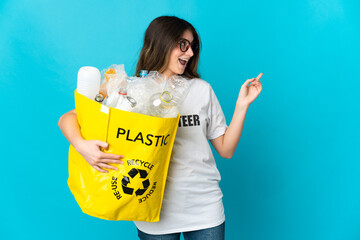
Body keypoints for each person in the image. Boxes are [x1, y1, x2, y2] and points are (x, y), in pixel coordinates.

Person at [58, 16, 262, 240]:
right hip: (151, 208)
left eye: (192, 46)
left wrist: (242, 105)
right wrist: (82, 146)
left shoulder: (201, 89)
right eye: (183, 44)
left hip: (204, 206)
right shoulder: (127, 88)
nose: (190, 53)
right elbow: (69, 117)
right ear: (161, 42)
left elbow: (226, 149)